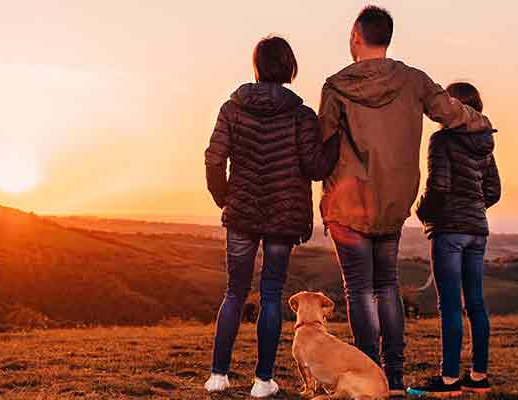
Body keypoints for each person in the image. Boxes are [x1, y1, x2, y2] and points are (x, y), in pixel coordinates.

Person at [318, 6, 493, 395]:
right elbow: (451, 113)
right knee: (386, 286)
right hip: (394, 203)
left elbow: (322, 149)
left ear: (355, 37)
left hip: (349, 207)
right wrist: (483, 125)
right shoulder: (414, 81)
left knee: (360, 290)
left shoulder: (336, 86)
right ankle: (394, 379)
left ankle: (370, 374)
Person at [202, 36, 339, 397]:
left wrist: (226, 199)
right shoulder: (302, 115)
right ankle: (263, 381)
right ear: (289, 67)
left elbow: (214, 159)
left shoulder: (231, 109)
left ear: (257, 66)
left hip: (242, 213)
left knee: (234, 292)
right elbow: (314, 167)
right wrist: (335, 141)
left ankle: (218, 376)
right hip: (283, 215)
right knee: (272, 294)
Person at [409, 82, 501, 397]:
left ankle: (449, 380)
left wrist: (422, 213)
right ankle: (479, 377)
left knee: (449, 304)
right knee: (475, 302)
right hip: (478, 229)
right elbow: (493, 191)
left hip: (449, 229)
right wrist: (473, 209)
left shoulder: (442, 141)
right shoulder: (485, 143)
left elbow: (439, 186)